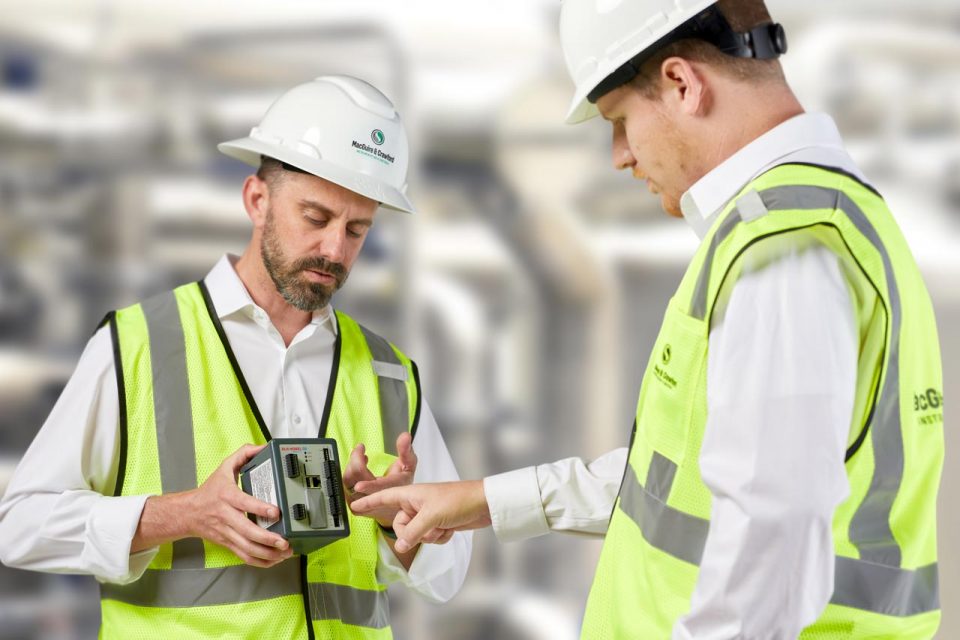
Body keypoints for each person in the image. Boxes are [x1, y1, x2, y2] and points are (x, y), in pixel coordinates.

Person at [351, 2, 945, 638]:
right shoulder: (807, 222)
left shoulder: (783, 255)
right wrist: (483, 501)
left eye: (619, 120)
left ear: (683, 85)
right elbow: (686, 485)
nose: (619, 155)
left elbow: (769, 557)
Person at [0, 75, 472, 639]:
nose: (334, 250)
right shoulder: (139, 343)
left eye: (357, 229)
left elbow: (449, 575)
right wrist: (183, 514)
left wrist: (404, 528)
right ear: (256, 200)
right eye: (316, 218)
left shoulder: (389, 372)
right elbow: (19, 526)